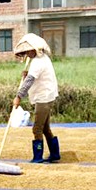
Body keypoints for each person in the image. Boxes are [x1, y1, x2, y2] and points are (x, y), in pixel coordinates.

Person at [12, 33, 60, 163]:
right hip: (47, 95)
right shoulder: (42, 59)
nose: (27, 54)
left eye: (28, 51)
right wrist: (27, 74)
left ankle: (38, 157)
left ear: (34, 49)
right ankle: (55, 154)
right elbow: (34, 76)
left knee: (37, 128)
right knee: (45, 128)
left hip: (43, 98)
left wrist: (18, 96)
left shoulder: (38, 62)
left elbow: (29, 81)